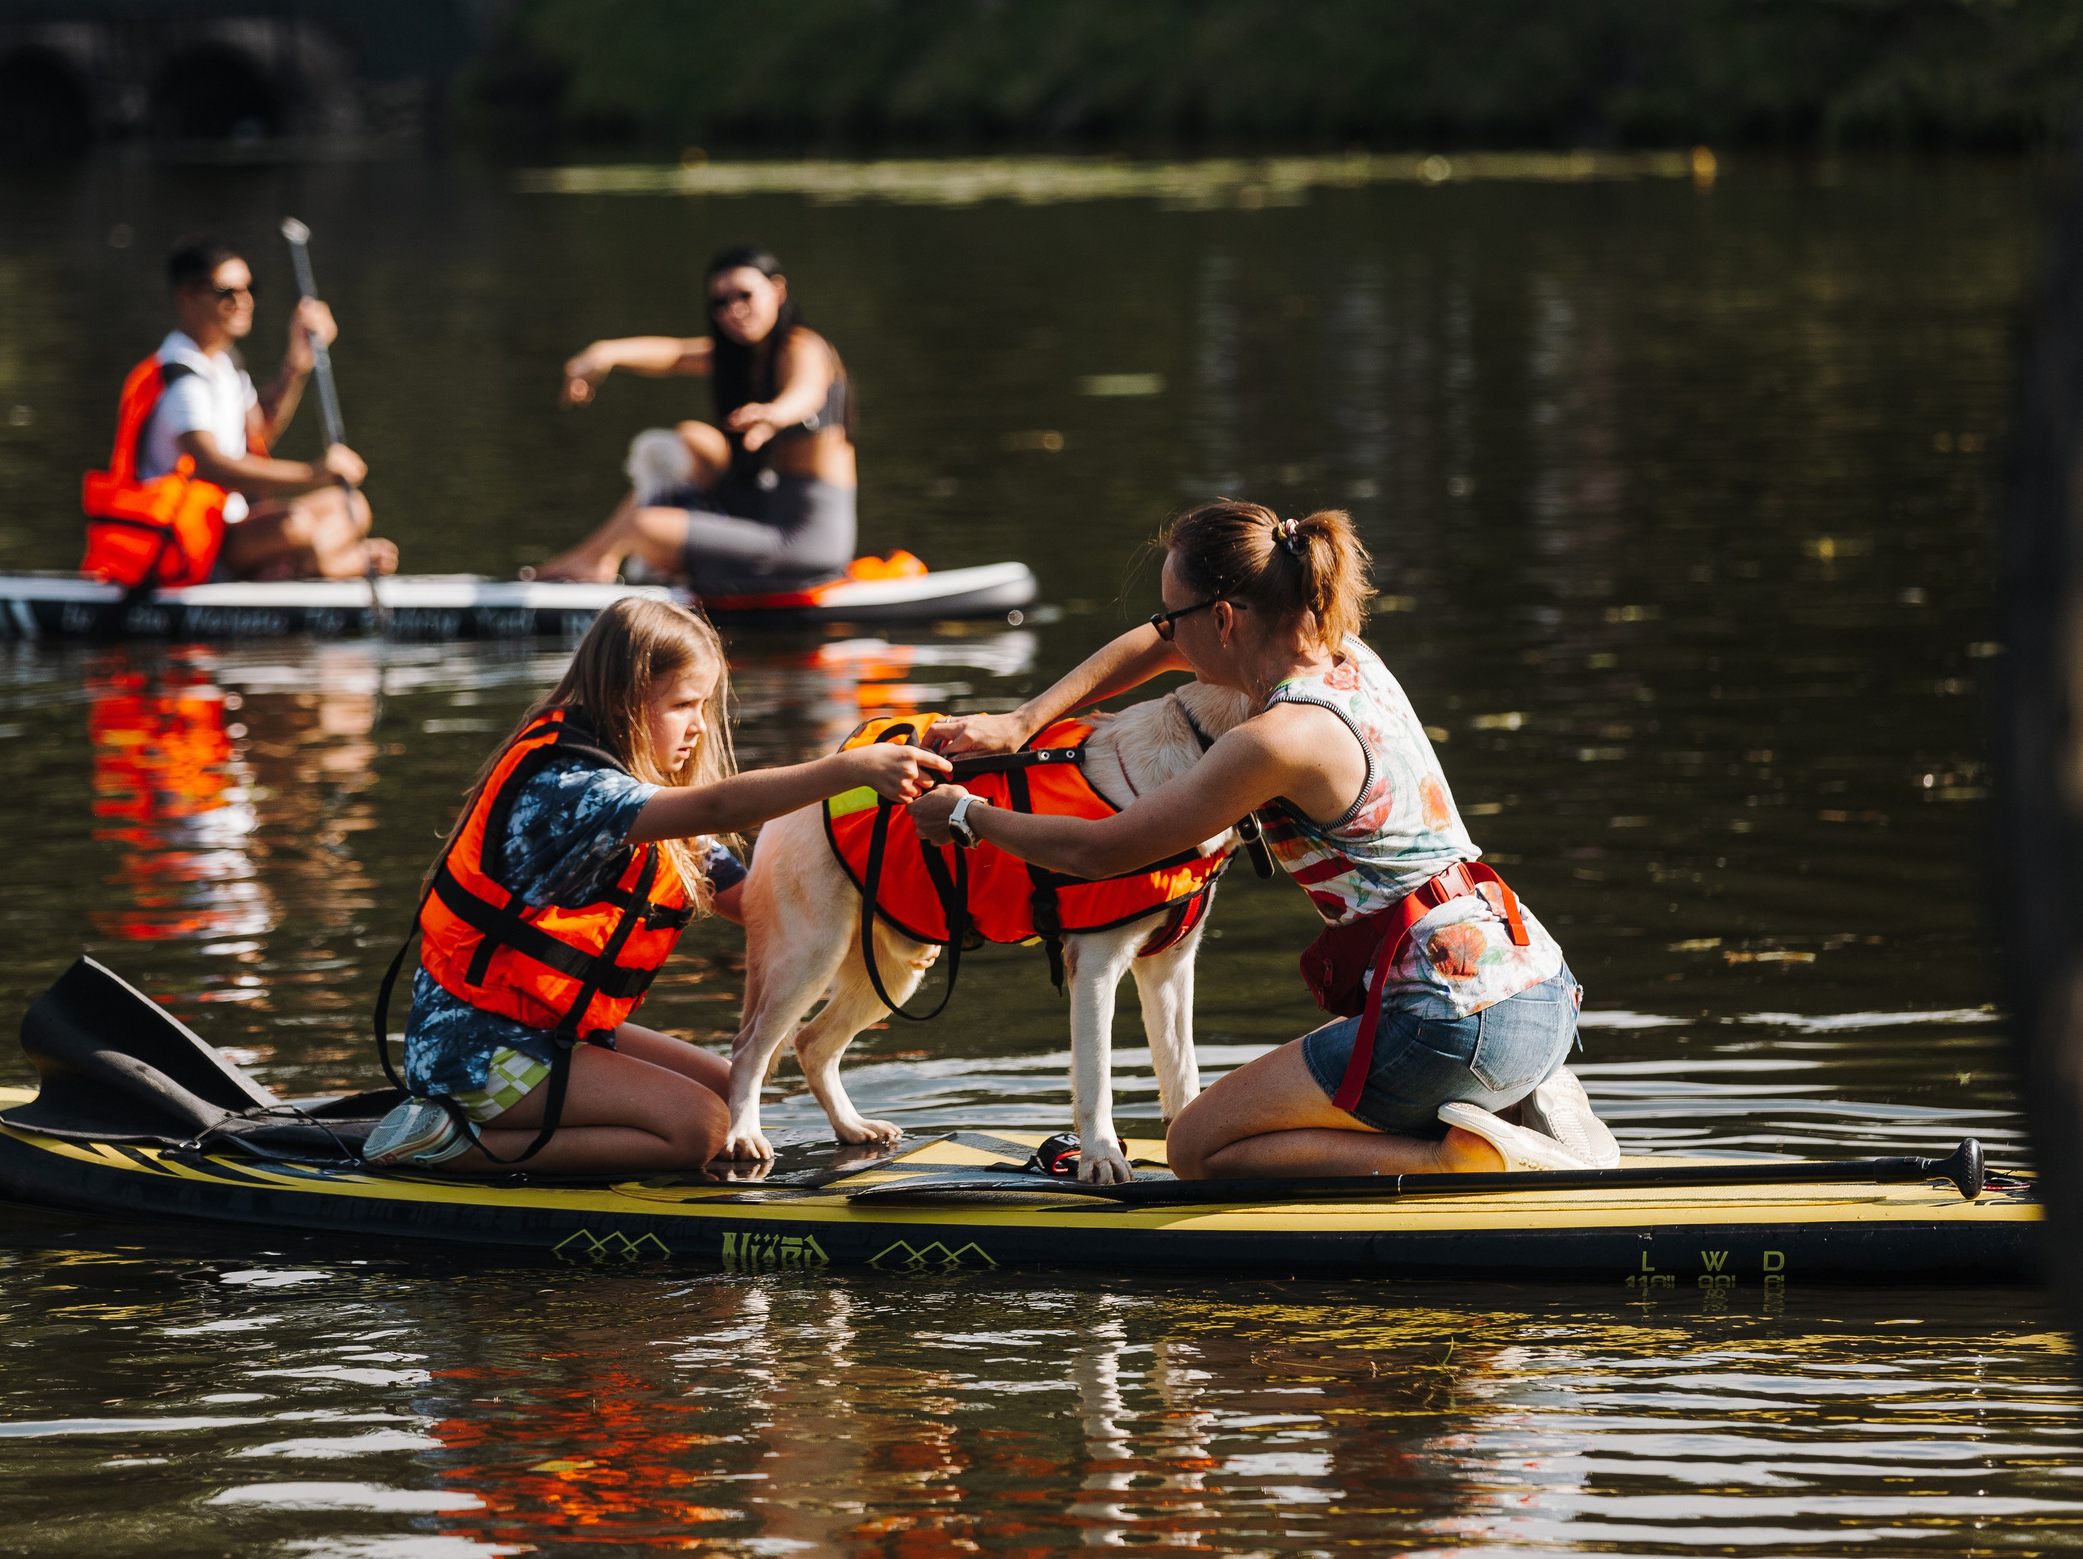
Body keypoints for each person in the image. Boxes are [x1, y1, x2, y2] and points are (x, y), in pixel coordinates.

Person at [906, 500, 1586, 1178]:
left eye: (1171, 616)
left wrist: (970, 815)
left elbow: (1099, 852)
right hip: (1542, 992)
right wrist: (1022, 720)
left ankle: (1448, 1156)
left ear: (1225, 620)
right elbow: (1159, 647)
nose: (1163, 634)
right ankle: (1513, 1102)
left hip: (1449, 1023)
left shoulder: (1275, 739)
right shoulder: (1345, 652)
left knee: (1196, 1148)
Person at [363, 596, 950, 1175]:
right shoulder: (570, 788)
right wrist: (847, 769)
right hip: (477, 1050)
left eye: (704, 705)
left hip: (554, 1030)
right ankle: (449, 1144)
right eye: (682, 704)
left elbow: (756, 904)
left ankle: (502, 1127)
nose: (698, 725)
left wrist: (890, 910)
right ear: (623, 698)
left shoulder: (641, 800)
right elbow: (720, 804)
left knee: (734, 1086)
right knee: (699, 1128)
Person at [533, 244, 856, 593]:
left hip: (806, 539)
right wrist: (602, 353)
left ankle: (597, 560)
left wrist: (773, 415)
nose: (734, 310)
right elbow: (673, 354)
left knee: (643, 527)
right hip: (766, 508)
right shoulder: (744, 356)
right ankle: (596, 560)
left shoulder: (803, 346)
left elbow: (807, 392)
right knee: (689, 440)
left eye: (744, 295)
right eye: (720, 302)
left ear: (777, 291)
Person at [93, 237, 397, 584]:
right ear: (187, 297)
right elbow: (212, 466)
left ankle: (305, 561)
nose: (244, 301)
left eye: (249, 288)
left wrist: (297, 364)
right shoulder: (181, 379)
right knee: (293, 523)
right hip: (191, 537)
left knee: (352, 505)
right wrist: (313, 472)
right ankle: (319, 564)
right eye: (227, 291)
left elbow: (259, 430)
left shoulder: (223, 365)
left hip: (236, 527)